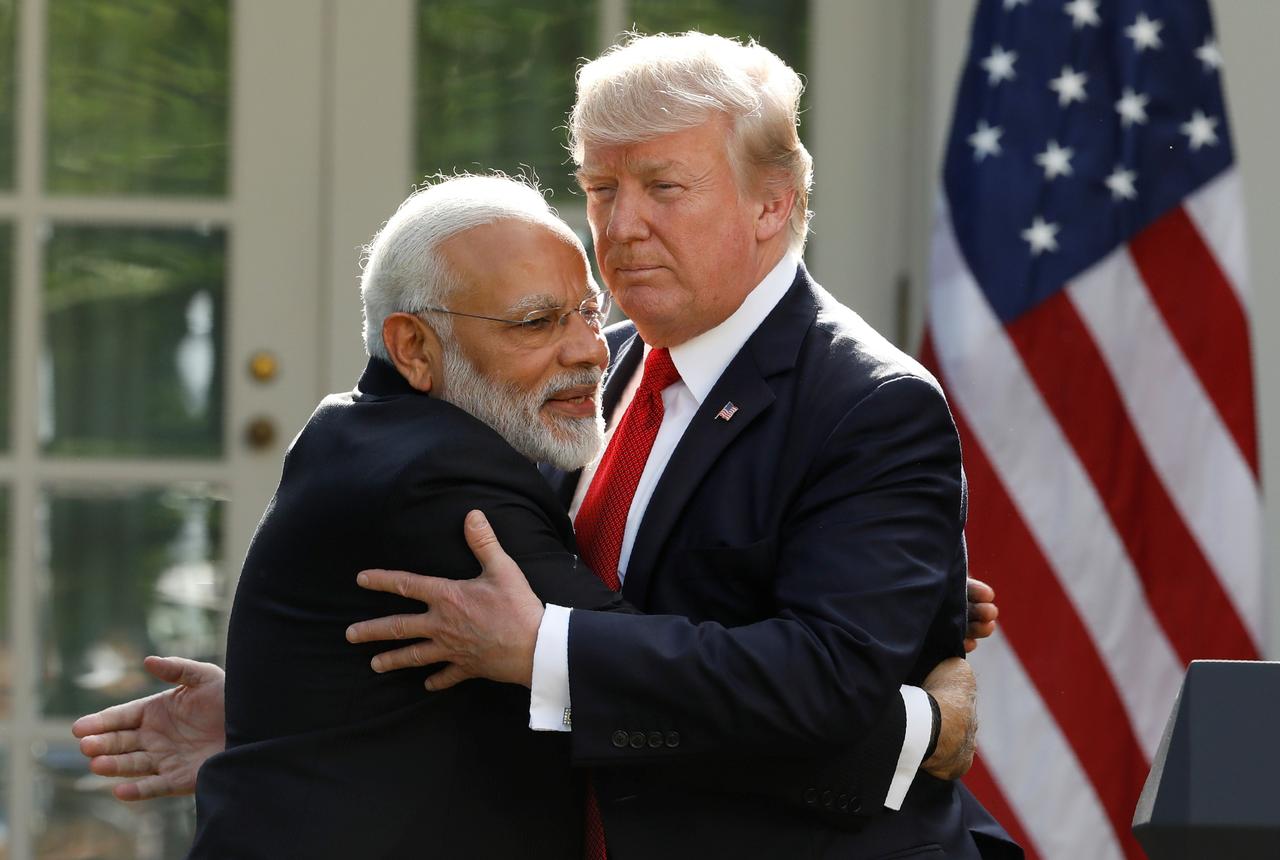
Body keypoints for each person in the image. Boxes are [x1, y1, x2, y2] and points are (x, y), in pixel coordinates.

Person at [73, 173, 990, 857]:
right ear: (414, 347)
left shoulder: (380, 430)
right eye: (536, 324)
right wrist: (919, 734)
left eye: (589, 313)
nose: (594, 351)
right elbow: (627, 677)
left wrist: (287, 714)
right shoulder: (440, 481)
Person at [343, 32, 1020, 859]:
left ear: (772, 204)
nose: (620, 226)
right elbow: (458, 603)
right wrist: (272, 714)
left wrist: (547, 652)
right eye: (600, 188)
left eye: (663, 187)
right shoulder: (593, 361)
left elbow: (826, 683)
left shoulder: (873, 404)